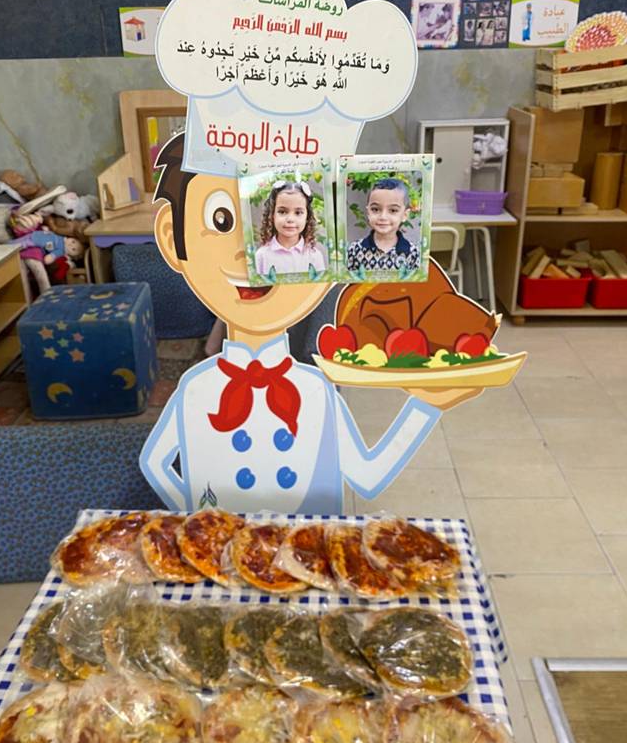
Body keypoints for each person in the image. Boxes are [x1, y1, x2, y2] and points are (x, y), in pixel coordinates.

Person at [138, 134, 481, 514]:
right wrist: (198, 524)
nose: (245, 254)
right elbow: (154, 463)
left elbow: (367, 476)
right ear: (172, 239)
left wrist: (427, 404)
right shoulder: (197, 388)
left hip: (310, 547)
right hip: (220, 548)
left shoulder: (315, 389)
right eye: (222, 221)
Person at [254, 179, 327, 278]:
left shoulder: (315, 256)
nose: (290, 219)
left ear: (307, 217)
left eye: (298, 213)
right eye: (282, 212)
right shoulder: (261, 256)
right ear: (272, 215)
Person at [346, 177, 420, 274]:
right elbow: (348, 281)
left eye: (393, 210)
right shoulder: (355, 250)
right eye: (375, 209)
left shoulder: (412, 252)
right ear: (368, 212)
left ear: (405, 215)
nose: (383, 217)